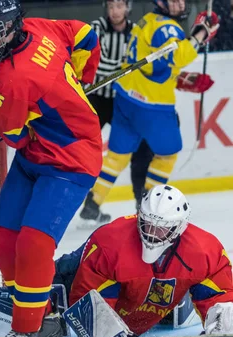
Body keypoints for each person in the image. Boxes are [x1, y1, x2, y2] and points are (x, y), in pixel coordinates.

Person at [0, 0, 102, 337]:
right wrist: (82, 76)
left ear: (10, 27)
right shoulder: (39, 27)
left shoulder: (9, 78)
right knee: (1, 242)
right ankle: (46, 319)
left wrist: (53, 105)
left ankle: (26, 329)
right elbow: (85, 34)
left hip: (71, 160)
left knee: (34, 244)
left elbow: (13, 136)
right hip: (37, 158)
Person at [80, 0, 219, 222]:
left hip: (125, 99)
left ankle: (93, 202)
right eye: (174, 1)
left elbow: (154, 63)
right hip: (152, 107)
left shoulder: (147, 20)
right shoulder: (168, 27)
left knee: (117, 157)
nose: (180, 4)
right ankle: (150, 203)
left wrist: (181, 77)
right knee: (167, 155)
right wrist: (201, 34)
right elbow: (178, 55)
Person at [55, 184, 233, 337]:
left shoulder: (205, 250)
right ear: (139, 216)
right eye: (148, 224)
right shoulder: (110, 242)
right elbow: (85, 292)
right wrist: (100, 325)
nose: (152, 233)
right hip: (82, 266)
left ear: (179, 228)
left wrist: (222, 314)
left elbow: (220, 292)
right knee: (55, 276)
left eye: (161, 229)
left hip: (142, 298)